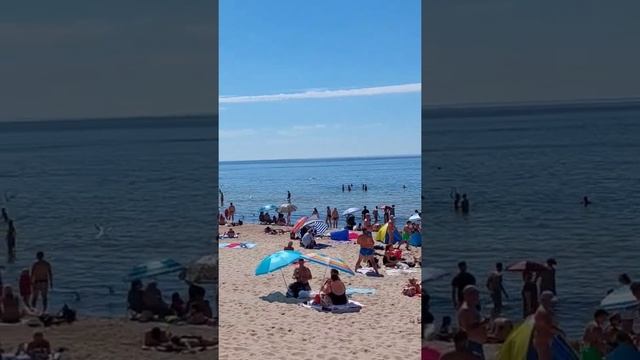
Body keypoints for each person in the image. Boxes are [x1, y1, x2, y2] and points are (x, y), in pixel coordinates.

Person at [457, 286, 488, 359]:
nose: (477, 297)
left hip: (476, 342)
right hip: (472, 343)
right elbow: (467, 328)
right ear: (468, 295)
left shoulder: (472, 307)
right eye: (476, 295)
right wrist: (484, 322)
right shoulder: (466, 310)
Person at [532, 291, 558, 360]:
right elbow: (548, 327)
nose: (552, 303)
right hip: (542, 341)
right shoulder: (543, 312)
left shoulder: (545, 310)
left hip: (543, 340)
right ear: (545, 300)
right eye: (550, 301)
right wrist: (558, 331)